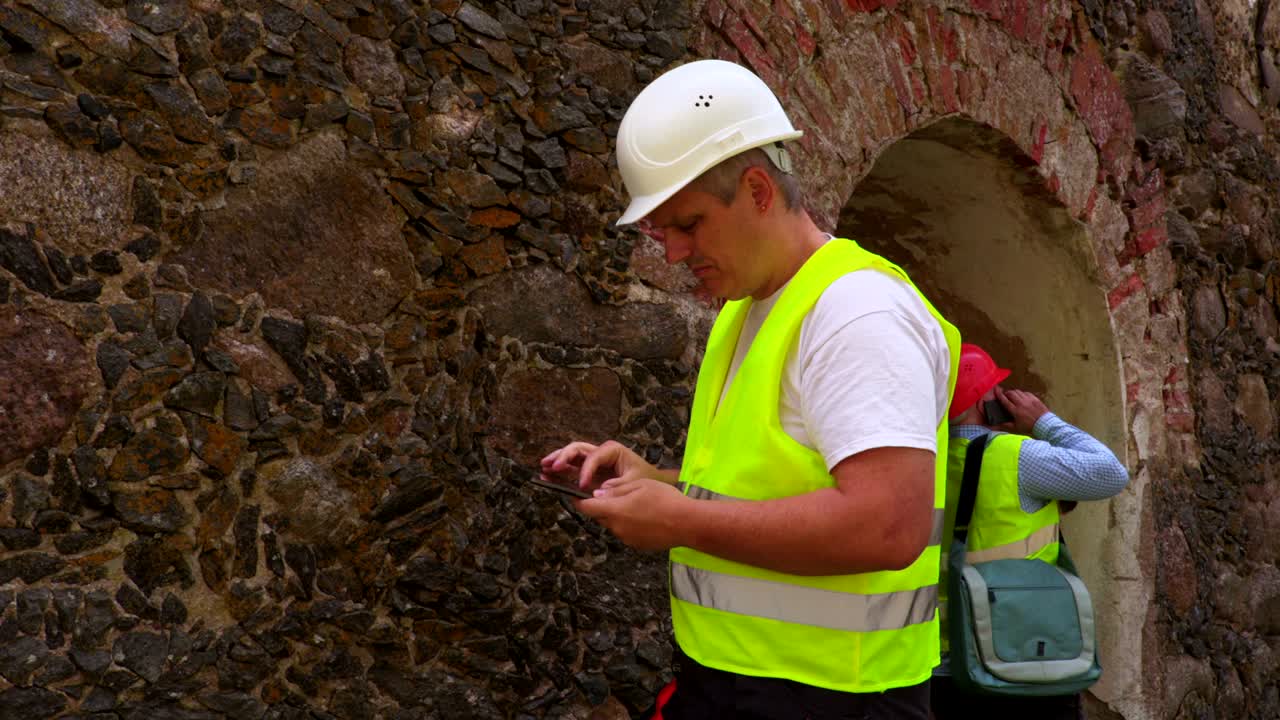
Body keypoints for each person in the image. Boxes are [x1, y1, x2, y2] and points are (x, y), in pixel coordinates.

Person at [540, 58, 961, 719]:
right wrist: (658, 483)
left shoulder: (858, 313)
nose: (673, 253)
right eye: (661, 230)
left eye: (688, 224)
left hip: (836, 699)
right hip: (740, 685)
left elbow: (889, 525)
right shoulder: (749, 308)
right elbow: (768, 484)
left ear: (759, 190)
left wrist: (681, 520)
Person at [930, 343, 1129, 720]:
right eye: (997, 389)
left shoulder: (923, 461)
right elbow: (1111, 473)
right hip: (1024, 658)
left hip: (944, 662)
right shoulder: (1018, 457)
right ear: (984, 400)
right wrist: (1042, 421)